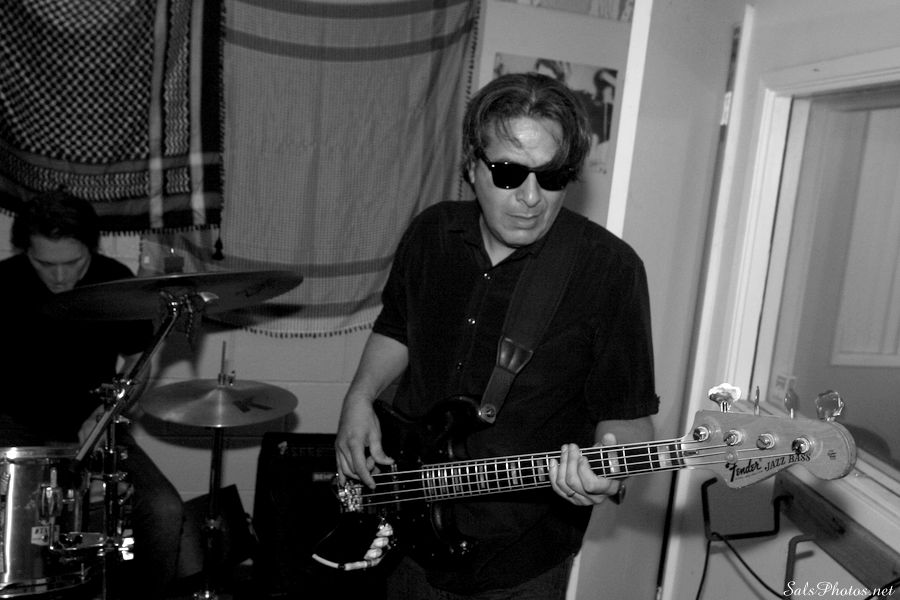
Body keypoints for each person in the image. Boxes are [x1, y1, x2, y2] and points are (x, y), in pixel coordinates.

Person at [335, 72, 659, 599]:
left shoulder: (610, 271)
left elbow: (629, 414)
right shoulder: (431, 234)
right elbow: (396, 328)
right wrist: (359, 397)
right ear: (471, 165)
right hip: (404, 527)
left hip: (521, 557)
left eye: (552, 177)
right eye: (509, 173)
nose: (531, 198)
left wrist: (609, 468)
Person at [0, 190, 184, 599]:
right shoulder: (4, 282)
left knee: (164, 510)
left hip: (94, 423)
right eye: (45, 264)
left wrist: (107, 414)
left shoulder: (113, 279)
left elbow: (138, 359)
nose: (60, 277)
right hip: (15, 426)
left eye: (73, 263)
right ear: (25, 251)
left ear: (90, 248)